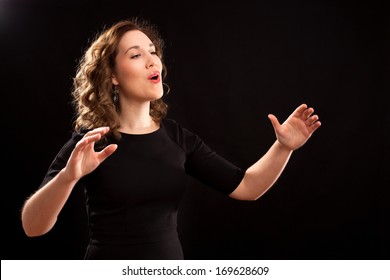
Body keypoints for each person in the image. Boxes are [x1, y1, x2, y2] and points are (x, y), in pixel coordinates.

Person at [21, 18, 321, 260]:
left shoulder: (178, 138)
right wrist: (67, 177)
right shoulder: (89, 143)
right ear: (112, 75)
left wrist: (283, 147)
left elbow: (246, 187)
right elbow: (32, 226)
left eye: (153, 51)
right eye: (136, 55)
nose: (153, 61)